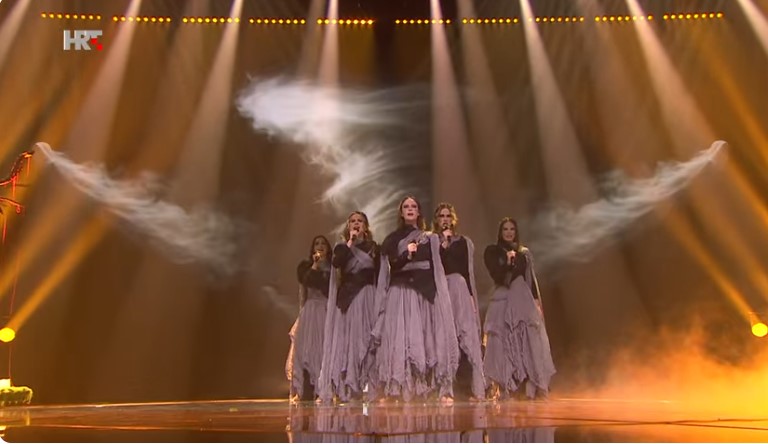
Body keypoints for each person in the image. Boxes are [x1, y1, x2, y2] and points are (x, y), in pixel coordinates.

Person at [369, 196, 459, 403]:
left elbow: (439, 266)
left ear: (419, 212)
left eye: (414, 206)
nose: (410, 209)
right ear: (401, 213)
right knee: (401, 339)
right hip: (400, 293)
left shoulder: (430, 238)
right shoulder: (392, 239)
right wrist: (407, 256)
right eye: (406, 207)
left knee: (423, 339)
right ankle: (398, 388)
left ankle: (425, 388)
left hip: (423, 293)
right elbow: (391, 265)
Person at [483, 217, 555, 400]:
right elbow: (497, 276)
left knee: (528, 341)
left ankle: (531, 386)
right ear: (500, 232)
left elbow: (531, 280)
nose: (509, 232)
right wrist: (507, 262)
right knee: (504, 341)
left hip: (523, 301)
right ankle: (507, 385)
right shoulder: (493, 252)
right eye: (505, 229)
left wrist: (537, 302)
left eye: (512, 229)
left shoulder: (524, 254)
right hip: (503, 301)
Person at [317, 212, 380, 403]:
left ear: (366, 226)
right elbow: (337, 263)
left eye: (360, 221)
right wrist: (350, 243)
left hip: (367, 297)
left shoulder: (373, 247)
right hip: (348, 299)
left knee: (366, 340)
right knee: (349, 342)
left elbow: (379, 273)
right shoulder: (341, 247)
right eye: (353, 221)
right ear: (348, 226)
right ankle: (349, 386)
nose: (356, 224)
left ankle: (368, 386)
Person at [432, 203, 485, 401]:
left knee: (465, 335)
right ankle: (444, 387)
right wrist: (442, 246)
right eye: (441, 216)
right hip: (440, 289)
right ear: (436, 220)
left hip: (460, 289)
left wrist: (470, 297)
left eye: (448, 216)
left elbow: (466, 270)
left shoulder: (463, 242)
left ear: (453, 219)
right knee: (444, 336)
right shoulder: (431, 241)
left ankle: (469, 387)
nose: (445, 219)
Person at [286, 235, 332, 402]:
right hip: (310, 312)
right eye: (316, 243)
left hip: (326, 310)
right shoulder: (305, 267)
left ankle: (322, 390)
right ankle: (303, 390)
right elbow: (306, 284)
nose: (320, 246)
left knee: (322, 349)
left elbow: (328, 289)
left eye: (323, 243)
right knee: (304, 350)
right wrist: (315, 265)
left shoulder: (333, 268)